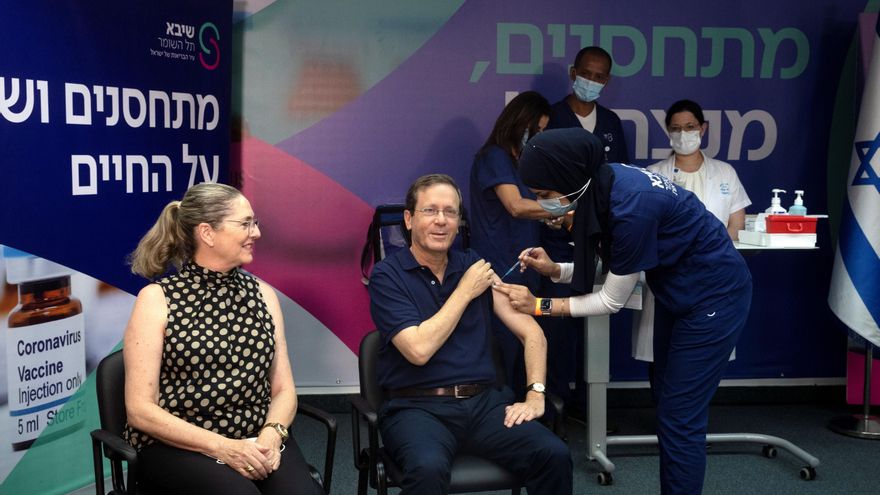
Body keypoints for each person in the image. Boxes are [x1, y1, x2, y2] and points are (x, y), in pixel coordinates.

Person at [494, 129, 752, 494]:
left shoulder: (631, 206)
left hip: (714, 297)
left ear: (569, 180)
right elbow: (619, 265)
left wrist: (539, 305)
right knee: (666, 401)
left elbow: (610, 301)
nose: (543, 205)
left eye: (546, 195)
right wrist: (555, 270)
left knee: (680, 417)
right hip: (676, 293)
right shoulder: (604, 182)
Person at [368, 174, 572, 495]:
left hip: (484, 406)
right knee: (428, 469)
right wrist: (464, 292)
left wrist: (535, 394)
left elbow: (533, 333)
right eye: (430, 211)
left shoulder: (473, 265)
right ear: (409, 219)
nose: (441, 221)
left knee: (553, 455)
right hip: (417, 408)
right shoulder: (387, 276)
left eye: (450, 212)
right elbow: (418, 349)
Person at [122, 183, 322, 495]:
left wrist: (272, 434)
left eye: (255, 223)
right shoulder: (157, 300)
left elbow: (283, 390)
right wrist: (223, 447)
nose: (255, 233)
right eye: (245, 224)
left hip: (257, 437)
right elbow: (139, 410)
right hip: (180, 446)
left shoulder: (263, 295)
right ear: (207, 233)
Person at [633, 99, 752, 366]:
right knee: (663, 357)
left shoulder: (725, 172)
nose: (683, 134)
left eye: (690, 127)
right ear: (667, 131)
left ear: (703, 128)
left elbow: (736, 225)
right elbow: (646, 231)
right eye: (676, 128)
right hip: (667, 276)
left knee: (703, 360)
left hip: (712, 277)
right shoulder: (653, 174)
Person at [469, 91, 562, 398]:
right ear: (519, 123)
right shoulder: (494, 156)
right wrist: (567, 208)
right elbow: (516, 206)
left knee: (530, 350)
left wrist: (551, 215)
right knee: (505, 354)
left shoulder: (520, 161)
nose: (540, 137)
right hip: (500, 270)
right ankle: (500, 423)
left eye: (544, 131)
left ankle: (530, 420)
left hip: (526, 269)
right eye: (536, 130)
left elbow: (533, 207)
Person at [547, 45, 629, 164]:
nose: (591, 81)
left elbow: (622, 169)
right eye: (585, 74)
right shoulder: (552, 116)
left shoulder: (611, 121)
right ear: (573, 73)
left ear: (606, 81)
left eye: (599, 77)